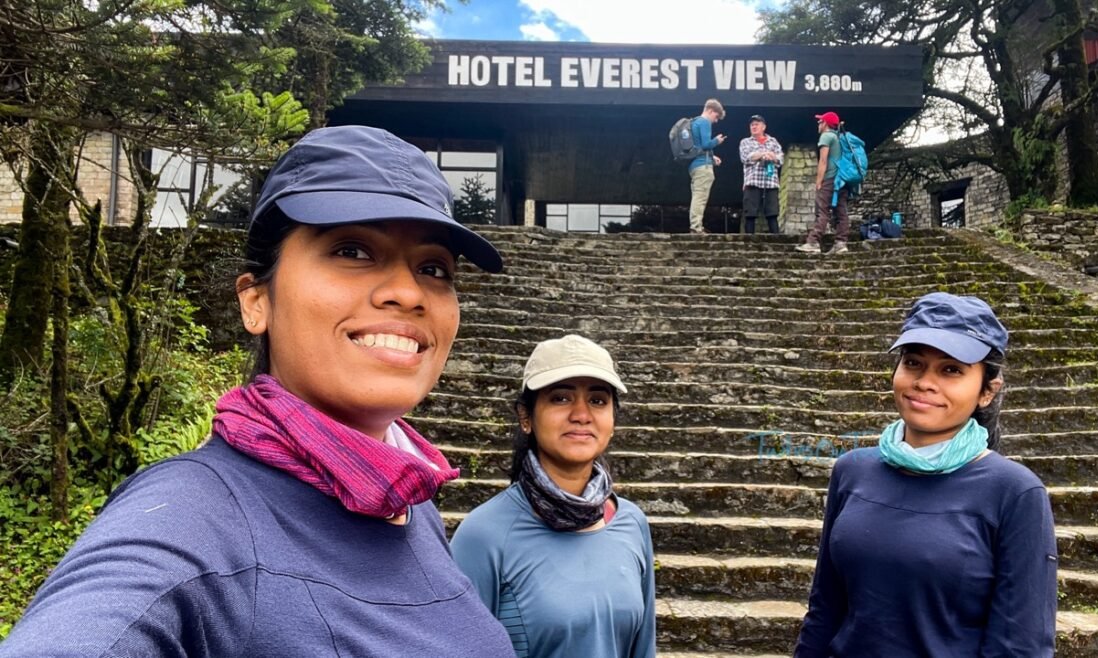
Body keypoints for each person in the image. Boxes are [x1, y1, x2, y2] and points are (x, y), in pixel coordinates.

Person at [0, 126, 517, 657]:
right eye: (353, 250)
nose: (408, 292)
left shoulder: (410, 501)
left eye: (434, 268)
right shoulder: (190, 517)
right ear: (255, 302)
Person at [794, 292, 1058, 657]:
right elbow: (825, 609)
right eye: (914, 363)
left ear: (987, 391)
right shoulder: (853, 471)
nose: (925, 382)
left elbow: (1020, 644)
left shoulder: (1014, 491)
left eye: (951, 370)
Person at [451, 334, 656, 658]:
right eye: (561, 398)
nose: (581, 414)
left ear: (613, 420)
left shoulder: (631, 523)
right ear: (526, 417)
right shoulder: (484, 534)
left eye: (598, 400)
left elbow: (642, 649)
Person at [796, 111, 851, 254]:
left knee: (822, 210)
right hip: (842, 179)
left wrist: (819, 181)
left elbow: (823, 160)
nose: (818, 123)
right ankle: (841, 243)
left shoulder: (826, 136)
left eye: (820, 121)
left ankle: (813, 242)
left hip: (830, 178)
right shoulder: (839, 137)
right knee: (841, 211)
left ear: (825, 124)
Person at [738, 114, 783, 234]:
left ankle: (776, 240)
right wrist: (764, 154)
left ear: (763, 127)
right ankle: (749, 241)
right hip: (752, 181)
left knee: (772, 213)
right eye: (752, 125)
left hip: (771, 182)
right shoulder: (745, 142)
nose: (754, 126)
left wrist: (772, 157)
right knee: (750, 214)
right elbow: (746, 157)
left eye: (756, 124)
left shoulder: (773, 141)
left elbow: (780, 158)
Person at [688, 98, 727, 234]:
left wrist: (712, 157)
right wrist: (717, 141)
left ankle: (696, 224)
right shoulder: (705, 122)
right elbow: (705, 144)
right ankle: (696, 227)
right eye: (716, 116)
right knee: (700, 197)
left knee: (697, 195)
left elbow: (698, 147)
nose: (716, 121)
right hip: (703, 167)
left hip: (694, 165)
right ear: (710, 111)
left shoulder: (694, 122)